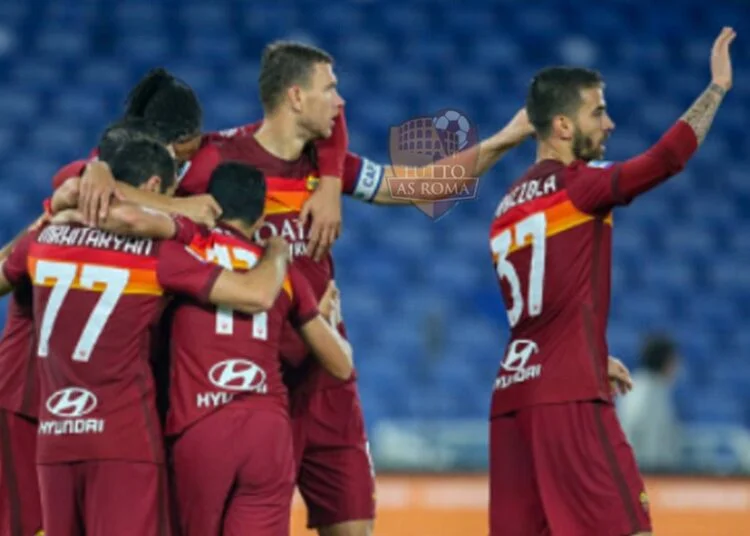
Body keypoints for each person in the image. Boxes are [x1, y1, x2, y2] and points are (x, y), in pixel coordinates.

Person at [488, 27, 735, 536]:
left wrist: (591, 353)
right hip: (569, 397)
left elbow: (542, 304)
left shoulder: (504, 208)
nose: (610, 123)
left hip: (512, 399)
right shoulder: (580, 187)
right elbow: (666, 159)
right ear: (561, 125)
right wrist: (716, 90)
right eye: (597, 112)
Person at [0, 140, 291, 536]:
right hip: (123, 440)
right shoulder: (156, 254)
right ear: (155, 189)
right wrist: (277, 253)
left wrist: (58, 209)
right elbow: (253, 294)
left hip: (55, 441)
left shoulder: (44, 239)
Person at [619, 334, 683, 471]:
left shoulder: (658, 390)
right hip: (646, 474)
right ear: (666, 362)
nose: (677, 367)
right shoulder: (642, 392)